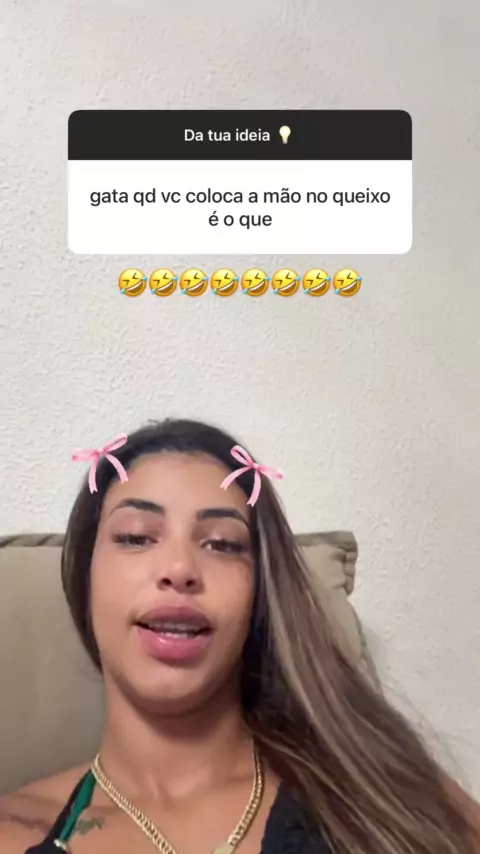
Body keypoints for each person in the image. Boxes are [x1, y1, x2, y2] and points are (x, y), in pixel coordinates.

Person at [0, 418, 479, 854]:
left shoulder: (386, 796)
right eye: (136, 537)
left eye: (223, 544)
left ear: (260, 595)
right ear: (84, 578)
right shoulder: (16, 831)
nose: (180, 568)